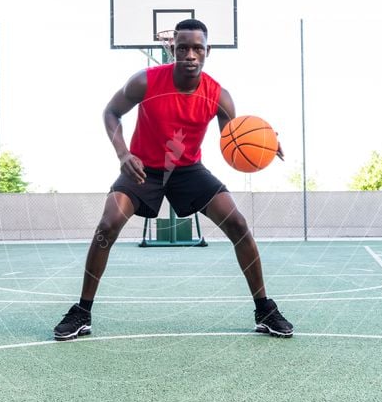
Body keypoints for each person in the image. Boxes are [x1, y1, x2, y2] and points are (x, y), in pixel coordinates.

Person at [53, 19, 294, 340]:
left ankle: (264, 309)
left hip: (188, 170)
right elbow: (111, 112)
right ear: (172, 49)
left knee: (238, 224)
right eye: (183, 48)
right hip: (142, 168)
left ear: (208, 51)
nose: (190, 54)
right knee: (107, 225)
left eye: (197, 48)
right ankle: (81, 312)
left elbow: (233, 139)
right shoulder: (145, 82)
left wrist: (263, 142)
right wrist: (123, 154)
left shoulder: (219, 96)